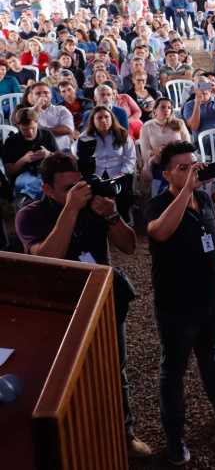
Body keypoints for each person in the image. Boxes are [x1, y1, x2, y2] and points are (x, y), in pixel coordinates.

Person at [14, 152, 151, 459]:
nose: (79, 192)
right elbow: (46, 259)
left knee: (115, 369)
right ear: (47, 189)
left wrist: (112, 215)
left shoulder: (94, 204)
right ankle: (75, 442)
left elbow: (129, 247)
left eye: (80, 185)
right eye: (68, 189)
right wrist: (71, 211)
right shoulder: (30, 215)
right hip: (61, 307)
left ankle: (125, 435)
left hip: (102, 300)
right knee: (62, 378)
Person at [144, 140, 215, 466]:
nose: (193, 171)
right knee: (174, 368)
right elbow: (159, 233)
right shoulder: (157, 205)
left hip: (212, 296)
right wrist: (186, 191)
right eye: (183, 168)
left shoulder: (205, 197)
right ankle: (175, 437)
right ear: (167, 174)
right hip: (177, 304)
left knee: (209, 352)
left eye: (194, 164)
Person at [80, 106, 137, 220]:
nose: (103, 121)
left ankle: (123, 220)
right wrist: (91, 176)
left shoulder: (122, 134)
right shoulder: (85, 137)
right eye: (99, 118)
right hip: (96, 173)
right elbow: (81, 159)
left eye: (106, 117)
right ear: (93, 120)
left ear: (112, 118)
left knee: (123, 196)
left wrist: (122, 173)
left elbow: (130, 158)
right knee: (91, 196)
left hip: (119, 172)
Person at [183, 77, 215, 202]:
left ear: (210, 88)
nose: (203, 90)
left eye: (205, 86)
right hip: (201, 139)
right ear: (195, 89)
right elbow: (194, 126)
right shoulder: (189, 105)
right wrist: (197, 105)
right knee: (213, 142)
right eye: (200, 86)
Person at [2, 107, 58, 208]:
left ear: (37, 123)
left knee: (44, 188)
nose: (30, 132)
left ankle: (25, 198)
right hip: (23, 176)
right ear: (18, 126)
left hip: (45, 173)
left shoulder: (47, 135)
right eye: (25, 129)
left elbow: (60, 159)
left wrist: (48, 154)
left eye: (33, 128)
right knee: (45, 186)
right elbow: (8, 171)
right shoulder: (11, 141)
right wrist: (23, 160)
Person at [139, 97, 190, 193]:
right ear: (155, 110)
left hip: (179, 160)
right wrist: (157, 150)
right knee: (168, 173)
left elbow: (188, 145)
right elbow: (145, 153)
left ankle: (165, 202)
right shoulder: (146, 127)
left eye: (169, 108)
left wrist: (175, 149)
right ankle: (171, 200)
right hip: (159, 162)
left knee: (172, 173)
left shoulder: (179, 123)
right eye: (163, 107)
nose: (166, 110)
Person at [31, 81, 74, 151]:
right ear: (32, 97)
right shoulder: (27, 111)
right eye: (38, 93)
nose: (42, 95)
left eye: (45, 92)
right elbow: (29, 125)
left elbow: (68, 129)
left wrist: (40, 132)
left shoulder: (61, 110)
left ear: (51, 95)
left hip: (62, 151)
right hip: (36, 152)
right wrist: (39, 106)